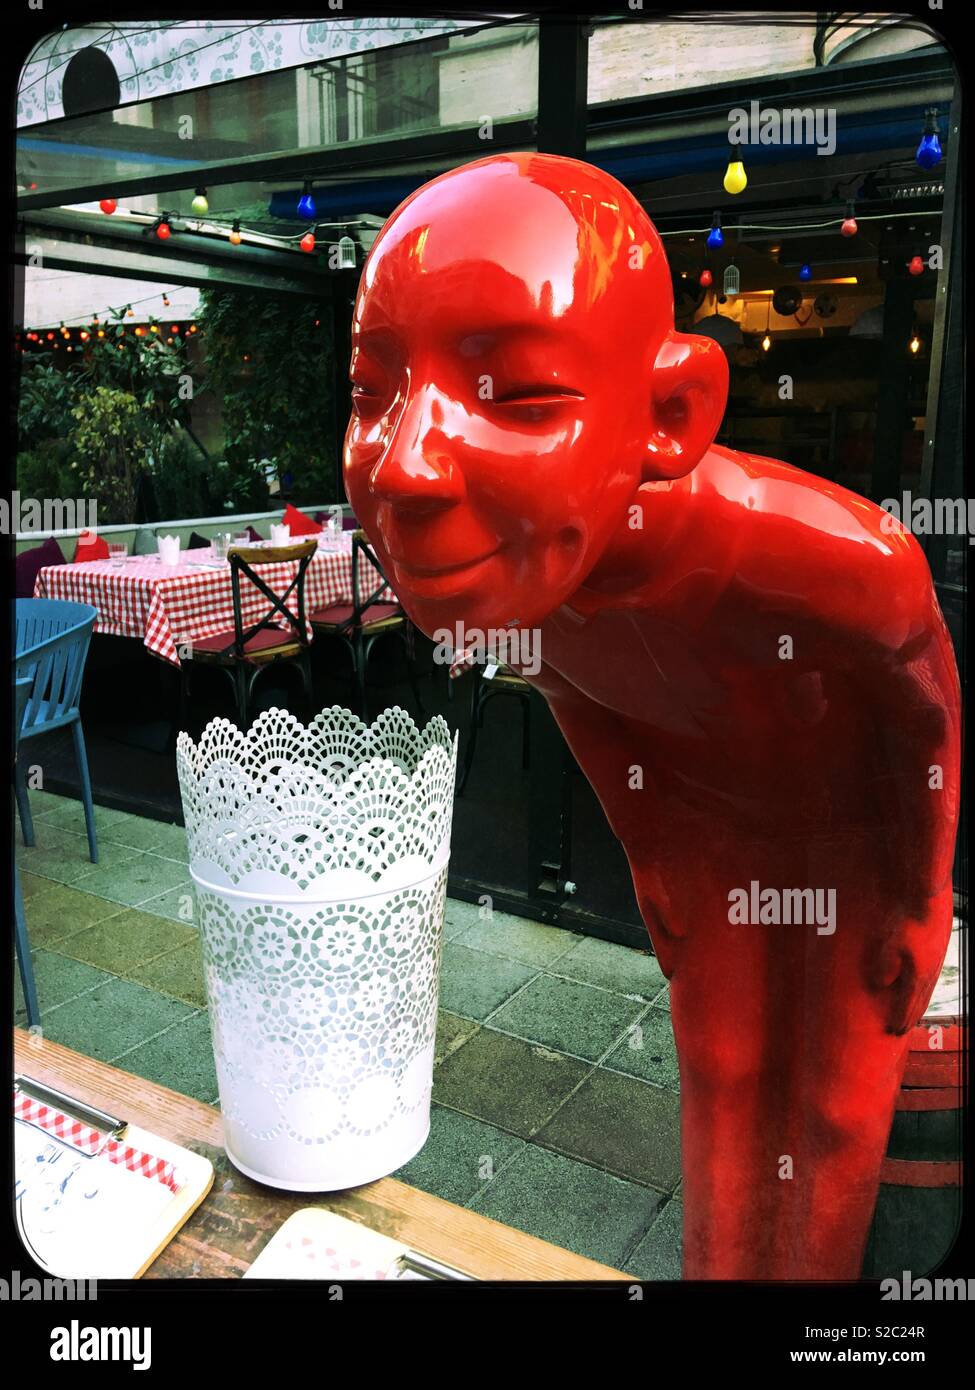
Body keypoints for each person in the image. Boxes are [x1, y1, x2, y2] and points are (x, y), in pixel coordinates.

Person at [343, 152, 961, 1279]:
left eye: (520, 397)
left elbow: (917, 691)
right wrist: (653, 844)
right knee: (724, 1067)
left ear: (673, 413)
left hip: (854, 832)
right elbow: (576, 685)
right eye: (371, 391)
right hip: (713, 828)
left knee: (832, 1099)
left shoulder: (809, 555)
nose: (406, 464)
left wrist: (920, 892)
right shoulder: (535, 574)